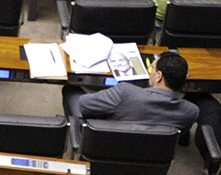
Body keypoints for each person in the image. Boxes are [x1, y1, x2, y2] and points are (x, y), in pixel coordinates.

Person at [66, 50, 198, 135]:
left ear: (159, 76)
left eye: (152, 68)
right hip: (150, 163)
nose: (150, 72)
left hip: (108, 145)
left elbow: (84, 104)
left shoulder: (125, 92)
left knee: (71, 90)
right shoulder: (191, 112)